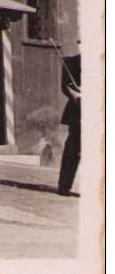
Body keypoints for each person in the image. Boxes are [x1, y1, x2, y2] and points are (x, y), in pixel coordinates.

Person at [57, 53, 81, 196]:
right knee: (73, 148)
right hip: (78, 110)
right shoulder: (71, 62)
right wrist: (76, 96)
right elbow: (66, 86)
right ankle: (64, 186)